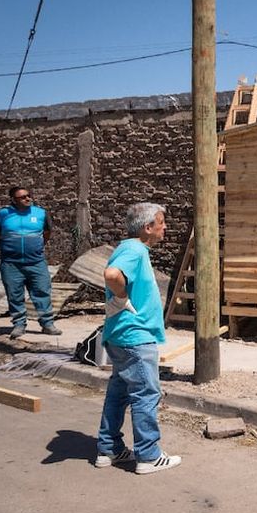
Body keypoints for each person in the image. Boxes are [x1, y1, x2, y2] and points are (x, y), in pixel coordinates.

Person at [95, 202, 181, 474]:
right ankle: (148, 456)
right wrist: (121, 296)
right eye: (161, 223)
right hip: (135, 337)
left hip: (121, 336)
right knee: (146, 393)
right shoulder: (133, 250)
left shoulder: (131, 249)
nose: (165, 227)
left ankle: (108, 449)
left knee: (119, 393)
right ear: (147, 227)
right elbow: (111, 275)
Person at [0, 187, 62, 339]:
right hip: (11, 264)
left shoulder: (40, 213)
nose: (27, 199)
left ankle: (47, 324)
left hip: (36, 262)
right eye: (22, 197)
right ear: (13, 200)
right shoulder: (3, 214)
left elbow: (47, 233)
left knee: (42, 292)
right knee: (15, 295)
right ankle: (19, 325)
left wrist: (34, 248)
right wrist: (6, 248)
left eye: (28, 196)